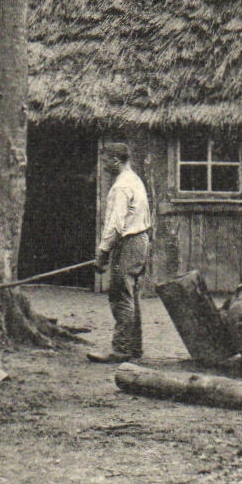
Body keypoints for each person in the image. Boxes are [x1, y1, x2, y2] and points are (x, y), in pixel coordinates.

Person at [89, 142, 152, 363]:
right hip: (140, 240)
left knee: (120, 295)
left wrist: (102, 252)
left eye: (105, 161)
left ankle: (121, 349)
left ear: (116, 160)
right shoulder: (135, 180)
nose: (104, 165)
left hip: (129, 243)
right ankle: (135, 348)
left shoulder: (121, 186)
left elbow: (116, 224)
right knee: (131, 294)